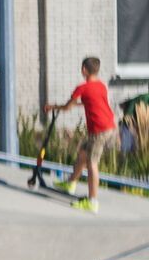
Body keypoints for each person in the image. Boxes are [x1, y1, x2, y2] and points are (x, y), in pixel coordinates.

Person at [48, 55, 118, 214]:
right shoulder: (101, 86)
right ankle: (71, 183)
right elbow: (92, 101)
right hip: (107, 127)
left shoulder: (82, 87)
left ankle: (92, 202)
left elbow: (67, 107)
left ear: (84, 70)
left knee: (92, 163)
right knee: (83, 154)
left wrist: (53, 107)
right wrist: (76, 105)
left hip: (99, 131)